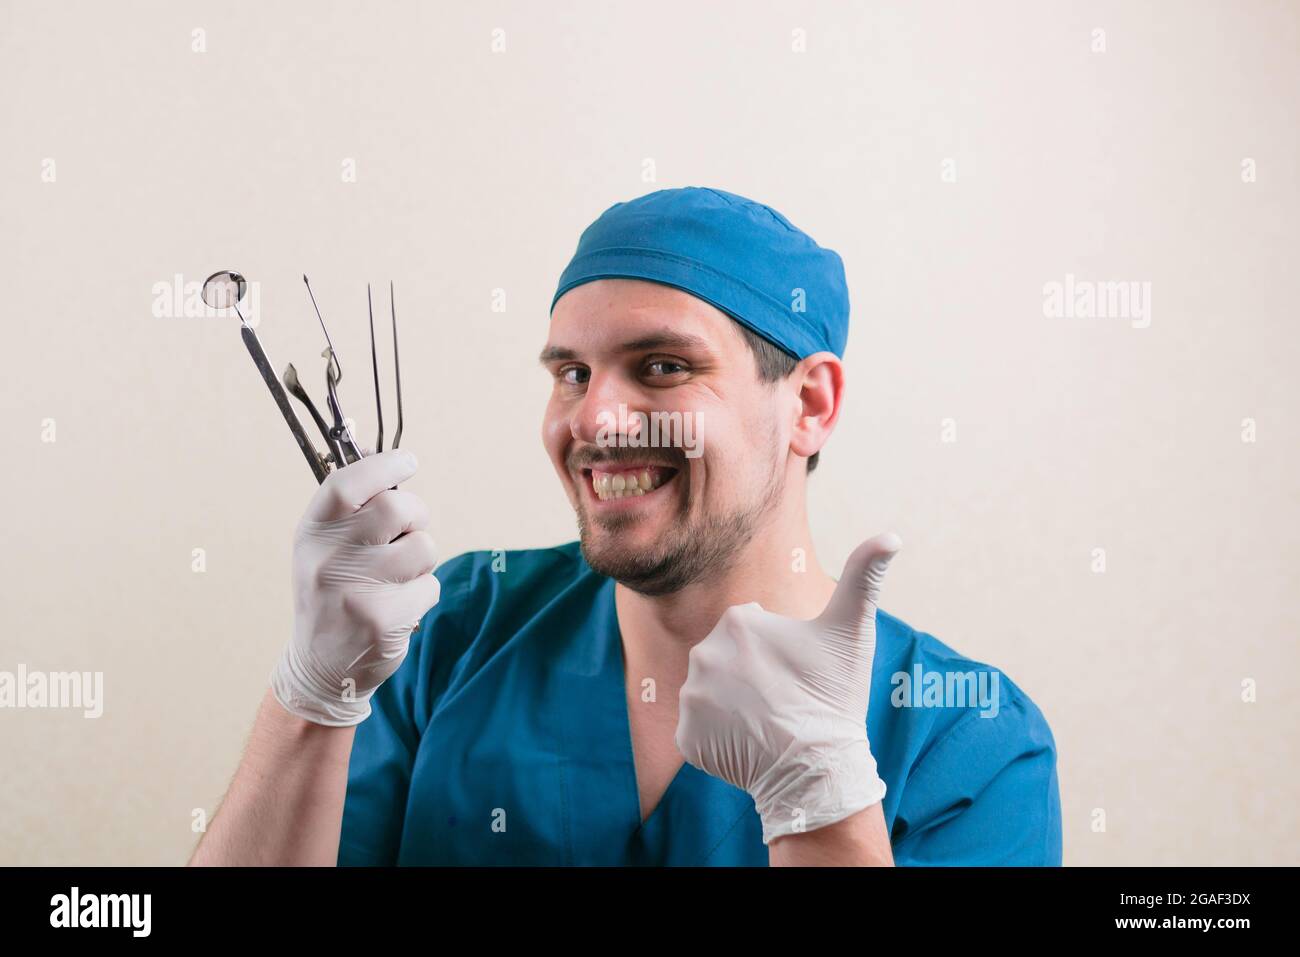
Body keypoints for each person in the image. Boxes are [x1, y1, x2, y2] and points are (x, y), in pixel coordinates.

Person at [191, 187, 1061, 867]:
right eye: (571, 372)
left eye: (661, 366)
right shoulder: (457, 627)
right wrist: (310, 695)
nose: (596, 417)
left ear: (809, 403)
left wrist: (822, 795)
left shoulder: (964, 737)